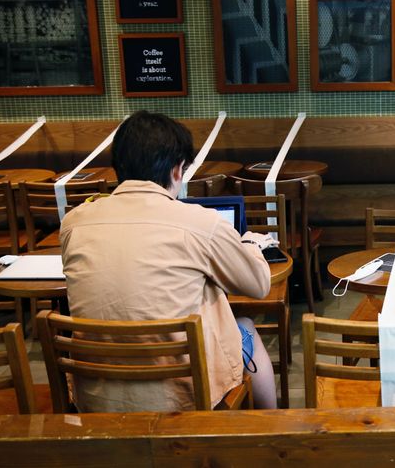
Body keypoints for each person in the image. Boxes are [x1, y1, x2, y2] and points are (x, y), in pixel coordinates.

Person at [60, 110, 278, 412]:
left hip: (96, 393)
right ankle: (270, 427)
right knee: (245, 326)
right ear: (178, 170)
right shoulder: (201, 222)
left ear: (117, 167)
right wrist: (251, 245)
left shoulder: (74, 222)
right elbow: (258, 285)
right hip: (183, 394)